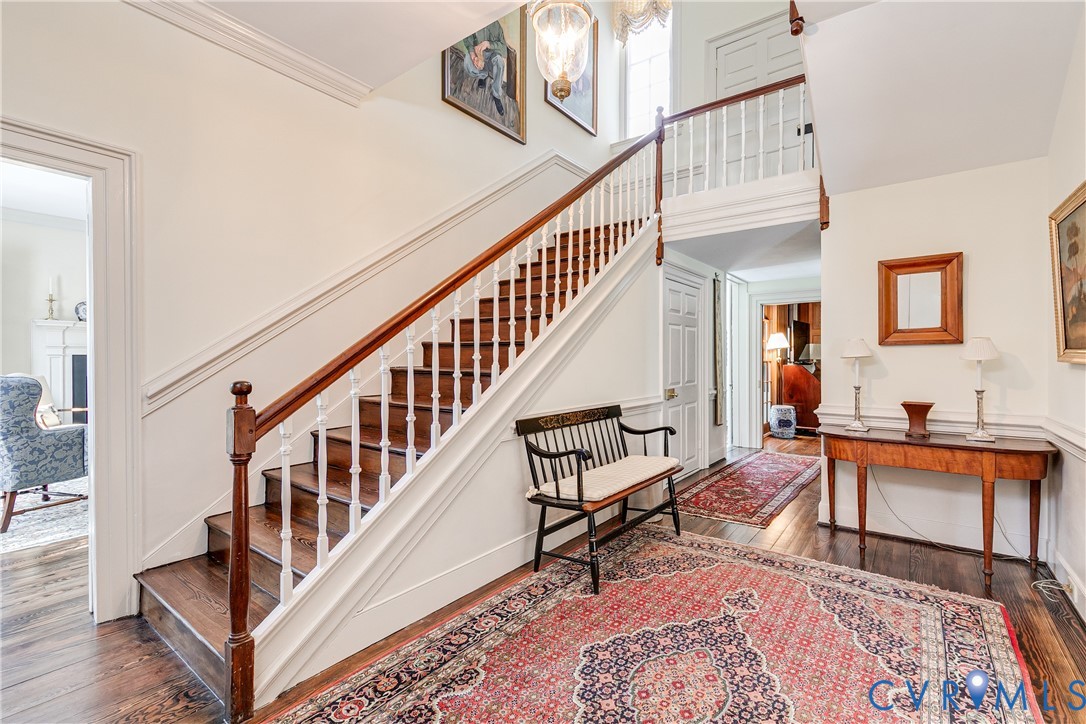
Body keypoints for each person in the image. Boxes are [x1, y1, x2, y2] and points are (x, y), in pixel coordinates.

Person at [462, 21, 508, 116]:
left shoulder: (496, 25)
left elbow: (504, 50)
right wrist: (473, 56)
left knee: (499, 62)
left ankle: (496, 95)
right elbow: (468, 40)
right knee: (467, 61)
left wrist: (489, 44)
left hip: (492, 55)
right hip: (478, 54)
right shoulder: (474, 21)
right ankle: (483, 75)